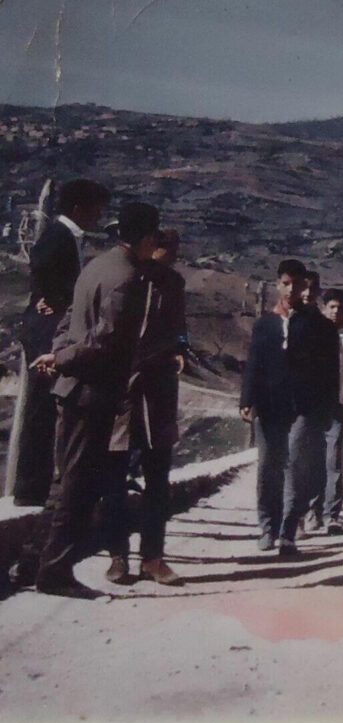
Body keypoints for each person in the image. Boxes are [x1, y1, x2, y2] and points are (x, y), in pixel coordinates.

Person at [28, 202, 158, 597]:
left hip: (73, 390)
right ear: (147, 237)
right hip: (93, 395)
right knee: (78, 488)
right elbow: (105, 341)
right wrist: (63, 358)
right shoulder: (128, 278)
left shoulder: (97, 266)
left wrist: (59, 353)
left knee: (63, 482)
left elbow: (68, 319)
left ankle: (32, 563)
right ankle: (54, 572)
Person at [9, 178, 110, 506]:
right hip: (46, 330)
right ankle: (30, 488)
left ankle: (41, 484)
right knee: (40, 408)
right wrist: (54, 297)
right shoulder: (59, 235)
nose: (99, 215)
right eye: (96, 208)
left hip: (53, 325)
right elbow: (40, 263)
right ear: (79, 208)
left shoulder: (68, 236)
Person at [240, 259, 339, 557]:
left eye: (297, 284)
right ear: (277, 284)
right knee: (269, 465)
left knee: (296, 465)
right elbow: (253, 364)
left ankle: (288, 530)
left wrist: (326, 408)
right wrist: (247, 399)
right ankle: (267, 526)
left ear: (304, 286)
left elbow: (330, 371)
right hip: (270, 406)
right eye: (285, 283)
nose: (291, 289)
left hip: (303, 406)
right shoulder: (265, 324)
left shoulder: (320, 327)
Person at [117, 227, 188, 585]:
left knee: (157, 474)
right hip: (120, 389)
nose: (170, 256)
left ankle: (153, 557)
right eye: (165, 249)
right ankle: (118, 555)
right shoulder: (127, 278)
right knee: (115, 473)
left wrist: (178, 350)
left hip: (159, 390)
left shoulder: (173, 284)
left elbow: (180, 330)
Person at [308, 288, 343, 535]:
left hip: (341, 402)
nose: (335, 312)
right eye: (331, 307)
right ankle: (312, 511)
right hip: (316, 403)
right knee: (313, 458)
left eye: (340, 308)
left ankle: (332, 514)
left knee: (336, 458)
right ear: (324, 308)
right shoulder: (313, 334)